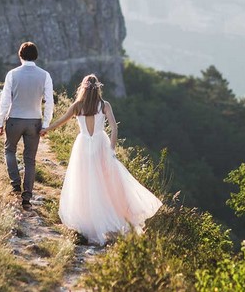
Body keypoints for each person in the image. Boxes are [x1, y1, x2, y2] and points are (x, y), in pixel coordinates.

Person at [42, 74, 162, 245]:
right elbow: (114, 128)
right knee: (105, 183)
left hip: (83, 145)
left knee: (84, 183)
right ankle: (111, 217)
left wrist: (45, 130)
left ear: (82, 88)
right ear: (98, 88)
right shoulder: (104, 105)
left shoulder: (77, 106)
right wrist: (111, 150)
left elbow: (60, 122)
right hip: (100, 144)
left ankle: (88, 222)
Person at [0, 41, 53, 211]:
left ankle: (15, 185)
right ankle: (27, 197)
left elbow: (5, 101)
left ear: (20, 55)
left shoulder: (12, 74)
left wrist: (0, 122)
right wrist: (46, 124)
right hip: (34, 121)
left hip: (14, 119)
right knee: (30, 160)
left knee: (9, 150)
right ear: (36, 56)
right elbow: (49, 102)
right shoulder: (45, 75)